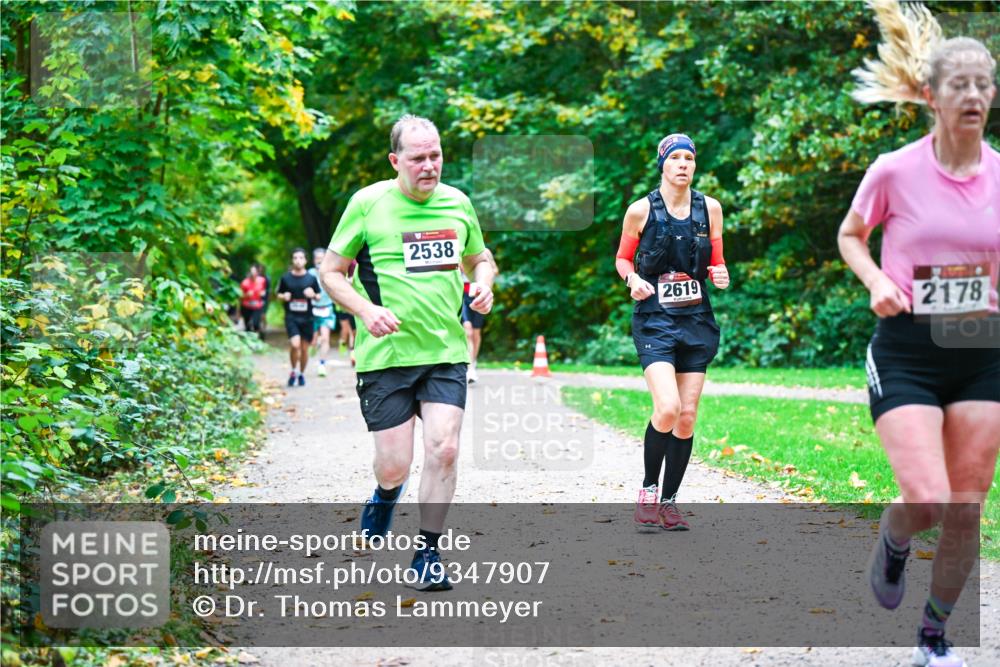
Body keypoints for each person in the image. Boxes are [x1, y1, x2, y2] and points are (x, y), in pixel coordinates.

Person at [839, 7, 999, 664]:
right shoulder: (893, 171)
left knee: (965, 504)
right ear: (930, 95)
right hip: (905, 348)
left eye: (984, 83)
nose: (974, 96)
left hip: (981, 350)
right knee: (927, 498)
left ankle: (934, 633)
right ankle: (896, 536)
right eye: (959, 84)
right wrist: (875, 277)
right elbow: (851, 236)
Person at [320, 114, 495, 591]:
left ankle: (428, 553)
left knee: (446, 447)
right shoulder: (368, 203)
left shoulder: (458, 203)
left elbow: (480, 257)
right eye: (418, 158)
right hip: (385, 355)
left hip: (444, 352)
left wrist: (482, 285)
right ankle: (385, 494)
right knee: (394, 463)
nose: (429, 166)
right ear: (396, 160)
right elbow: (332, 271)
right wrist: (366, 309)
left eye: (435, 155)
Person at [615, 133, 730, 532]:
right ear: (662, 164)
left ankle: (670, 502)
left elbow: (718, 263)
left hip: (696, 319)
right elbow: (622, 259)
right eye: (675, 157)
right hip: (655, 319)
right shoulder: (640, 210)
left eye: (689, 158)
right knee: (668, 408)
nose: (683, 164)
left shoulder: (710, 208)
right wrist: (632, 281)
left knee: (688, 417)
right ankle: (648, 489)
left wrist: (721, 274)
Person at [277, 248, 321, 387]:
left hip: (307, 318)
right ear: (292, 260)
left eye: (301, 258)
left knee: (304, 349)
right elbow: (278, 294)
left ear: (306, 260)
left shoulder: (311, 278)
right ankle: (294, 370)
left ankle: (301, 374)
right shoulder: (286, 278)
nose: (298, 260)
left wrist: (313, 295)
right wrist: (284, 296)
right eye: (295, 258)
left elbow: (319, 296)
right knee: (295, 345)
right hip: (291, 317)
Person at [461, 248, 499, 384]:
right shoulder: (458, 247)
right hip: (461, 294)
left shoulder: (485, 252)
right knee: (468, 331)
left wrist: (481, 279)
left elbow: (494, 270)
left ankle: (473, 361)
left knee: (476, 333)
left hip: (476, 293)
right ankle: (469, 367)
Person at [309, 247, 338, 377]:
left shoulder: (331, 272)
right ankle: (314, 344)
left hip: (327, 308)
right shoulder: (309, 273)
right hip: (312, 310)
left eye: (322, 258)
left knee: (325, 338)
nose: (320, 261)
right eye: (317, 258)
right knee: (313, 340)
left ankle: (322, 364)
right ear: (313, 259)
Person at [336, 260, 358, 365]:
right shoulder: (341, 260)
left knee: (354, 332)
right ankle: (342, 351)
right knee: (344, 331)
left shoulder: (358, 262)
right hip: (341, 305)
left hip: (354, 303)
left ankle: (352, 355)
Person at [239, 264, 267, 337]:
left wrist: (263, 293)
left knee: (256, 323)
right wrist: (246, 295)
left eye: (254, 272)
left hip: (257, 306)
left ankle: (258, 336)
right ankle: (249, 340)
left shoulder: (262, 280)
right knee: (247, 325)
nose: (253, 274)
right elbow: (240, 296)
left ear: (257, 272)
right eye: (251, 272)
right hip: (246, 306)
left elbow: (264, 290)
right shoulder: (244, 283)